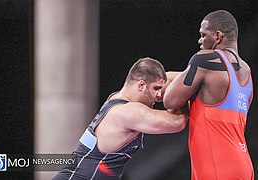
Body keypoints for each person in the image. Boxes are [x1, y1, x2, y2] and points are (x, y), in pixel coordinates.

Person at [52, 57, 188, 180]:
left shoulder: (116, 99)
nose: (159, 95)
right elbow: (178, 121)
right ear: (141, 85)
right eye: (156, 89)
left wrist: (196, 76)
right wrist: (179, 94)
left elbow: (170, 77)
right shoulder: (127, 112)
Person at [163, 10, 254, 179]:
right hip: (244, 165)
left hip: (218, 167)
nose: (200, 41)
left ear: (218, 36)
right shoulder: (247, 73)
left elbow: (170, 100)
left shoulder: (205, 60)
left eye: (203, 35)